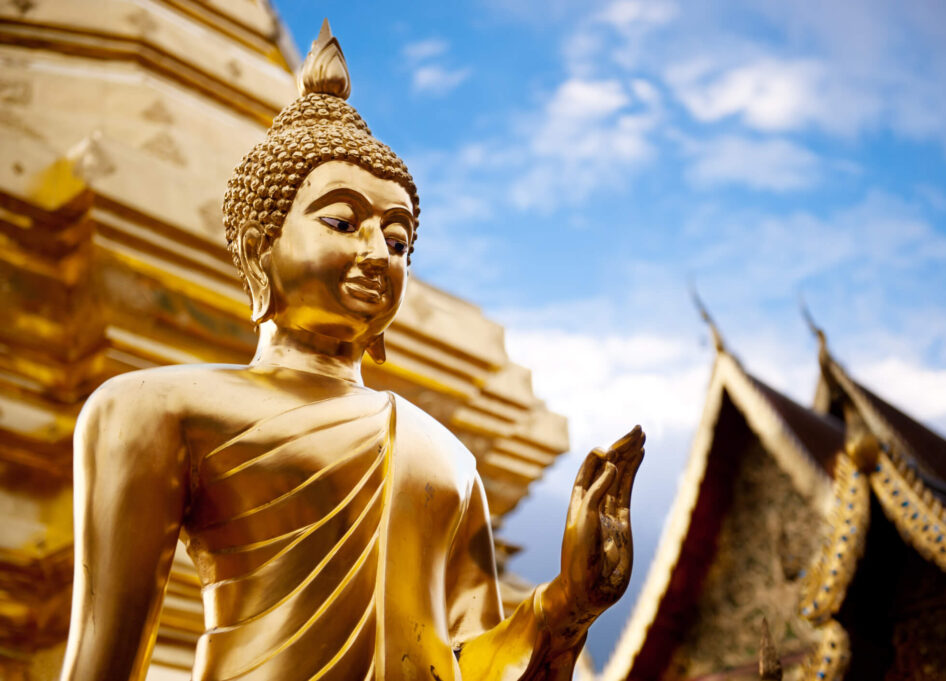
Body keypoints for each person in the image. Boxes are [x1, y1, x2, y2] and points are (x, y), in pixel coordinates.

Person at [59, 21, 644, 681]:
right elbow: (100, 664)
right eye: (342, 222)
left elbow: (472, 666)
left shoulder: (445, 458)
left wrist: (570, 601)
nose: (376, 255)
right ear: (259, 250)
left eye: (397, 241)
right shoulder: (155, 410)